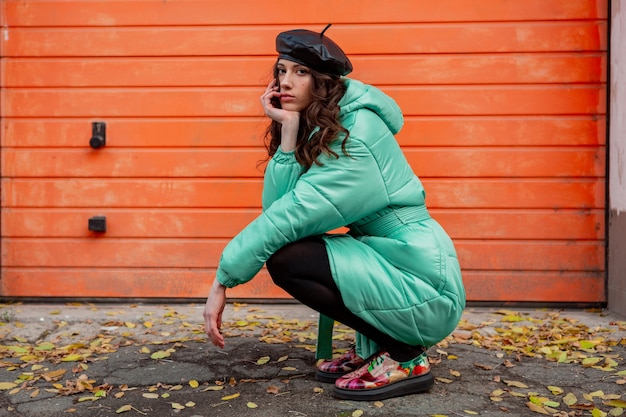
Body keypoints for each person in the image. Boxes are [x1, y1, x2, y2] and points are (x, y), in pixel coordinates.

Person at [203, 24, 466, 401]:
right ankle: (383, 347)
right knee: (291, 249)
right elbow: (279, 210)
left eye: (301, 72)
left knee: (289, 258)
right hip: (395, 261)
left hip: (425, 284)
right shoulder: (327, 125)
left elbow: (289, 217)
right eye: (281, 70)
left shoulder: (357, 136)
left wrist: (222, 280)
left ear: (323, 82)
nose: (286, 82)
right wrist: (289, 132)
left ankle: (405, 355)